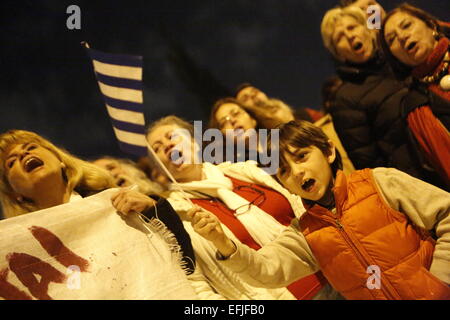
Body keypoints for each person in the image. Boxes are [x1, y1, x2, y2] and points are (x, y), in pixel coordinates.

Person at [188, 120, 450, 300]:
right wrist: (222, 242)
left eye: (302, 156)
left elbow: (447, 214)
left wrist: (441, 281)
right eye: (284, 171)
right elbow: (266, 270)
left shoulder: (380, 182)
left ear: (328, 151)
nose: (297, 171)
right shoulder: (305, 233)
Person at [146, 115, 337, 300]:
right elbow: (195, 285)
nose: (168, 146)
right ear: (158, 167)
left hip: (335, 270)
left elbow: (306, 206)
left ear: (194, 141)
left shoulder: (247, 172)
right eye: (158, 148)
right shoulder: (176, 218)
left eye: (172, 137)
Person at [0, 130, 197, 279]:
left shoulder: (117, 202)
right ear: (14, 193)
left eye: (32, 147)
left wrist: (154, 211)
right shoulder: (24, 254)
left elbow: (187, 264)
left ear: (60, 160)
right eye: (11, 162)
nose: (23, 154)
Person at [320, 6, 442, 187]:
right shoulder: (345, 99)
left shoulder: (400, 58)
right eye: (339, 37)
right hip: (421, 183)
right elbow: (370, 164)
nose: (350, 35)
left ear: (366, 29)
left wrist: (373, 11)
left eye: (353, 27)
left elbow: (379, 22)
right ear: (338, 53)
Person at [380, 3, 450, 189]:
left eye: (406, 25)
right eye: (392, 39)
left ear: (430, 25)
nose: (402, 37)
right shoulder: (415, 108)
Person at [234, 83, 323, 125]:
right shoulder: (265, 140)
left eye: (255, 91)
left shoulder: (306, 114)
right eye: (245, 98)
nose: (253, 95)